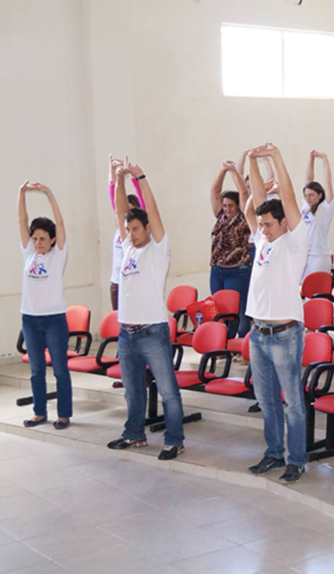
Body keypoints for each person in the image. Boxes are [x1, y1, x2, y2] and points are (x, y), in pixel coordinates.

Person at [107, 160, 185, 460]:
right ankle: (134, 433)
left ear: (148, 228)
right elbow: (118, 211)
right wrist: (118, 180)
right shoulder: (127, 246)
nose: (131, 232)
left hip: (152, 331)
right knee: (133, 390)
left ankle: (174, 439)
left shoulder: (158, 248)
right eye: (128, 228)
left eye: (136, 228)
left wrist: (139, 177)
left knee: (167, 391)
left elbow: (152, 209)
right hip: (126, 331)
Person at [241, 144, 310, 484]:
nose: (263, 229)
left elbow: (288, 196)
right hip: (259, 332)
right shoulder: (265, 238)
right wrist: (253, 160)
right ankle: (273, 452)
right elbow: (256, 197)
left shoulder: (295, 241)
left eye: (269, 224)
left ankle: (296, 459)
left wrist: (277, 159)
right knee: (266, 400)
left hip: (285, 333)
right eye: (262, 224)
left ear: (284, 223)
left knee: (292, 403)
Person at [18, 181, 72, 430]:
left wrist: (50, 194)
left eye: (43, 238)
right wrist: (21, 194)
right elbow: (21, 221)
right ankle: (40, 412)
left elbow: (60, 225)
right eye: (35, 237)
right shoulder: (29, 253)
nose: (38, 242)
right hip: (30, 318)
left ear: (52, 240)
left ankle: (64, 414)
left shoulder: (58, 254)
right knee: (36, 369)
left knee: (60, 369)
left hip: (53, 319)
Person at [209, 160, 252, 337]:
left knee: (240, 310)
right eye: (225, 205)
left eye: (230, 206)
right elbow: (214, 192)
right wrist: (222, 171)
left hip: (237, 270)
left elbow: (242, 191)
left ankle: (243, 346)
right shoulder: (220, 217)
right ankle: (224, 344)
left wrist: (234, 172)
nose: (227, 209)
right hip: (217, 269)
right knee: (221, 309)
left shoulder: (243, 217)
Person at [108, 155, 145, 312]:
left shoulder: (140, 231)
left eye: (131, 211)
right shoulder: (121, 230)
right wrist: (113, 173)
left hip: (135, 280)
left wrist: (134, 178)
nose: (127, 215)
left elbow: (144, 202)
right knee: (117, 321)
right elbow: (114, 197)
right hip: (117, 281)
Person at [300, 150, 334, 279]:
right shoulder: (305, 207)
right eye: (306, 195)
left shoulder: (325, 208)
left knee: (317, 293)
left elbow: (328, 182)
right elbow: (308, 179)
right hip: (304, 256)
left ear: (320, 195)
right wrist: (311, 158)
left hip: (319, 257)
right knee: (304, 293)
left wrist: (325, 160)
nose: (308, 198)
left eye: (311, 195)